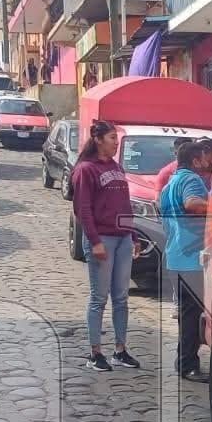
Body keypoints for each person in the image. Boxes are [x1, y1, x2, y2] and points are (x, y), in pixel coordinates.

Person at [72, 119, 140, 372]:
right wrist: (94, 240)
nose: (116, 143)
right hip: (102, 239)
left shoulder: (117, 168)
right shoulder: (86, 170)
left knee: (121, 297)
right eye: (112, 138)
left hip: (122, 238)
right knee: (99, 297)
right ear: (98, 139)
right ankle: (95, 352)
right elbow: (83, 209)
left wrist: (133, 235)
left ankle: (120, 350)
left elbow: (125, 205)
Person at [158, 139, 212, 381]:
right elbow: (192, 203)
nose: (209, 160)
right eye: (204, 157)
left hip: (175, 255)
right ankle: (188, 365)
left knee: (187, 315)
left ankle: (183, 360)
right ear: (195, 161)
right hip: (191, 258)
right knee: (192, 316)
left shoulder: (169, 183)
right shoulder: (191, 180)